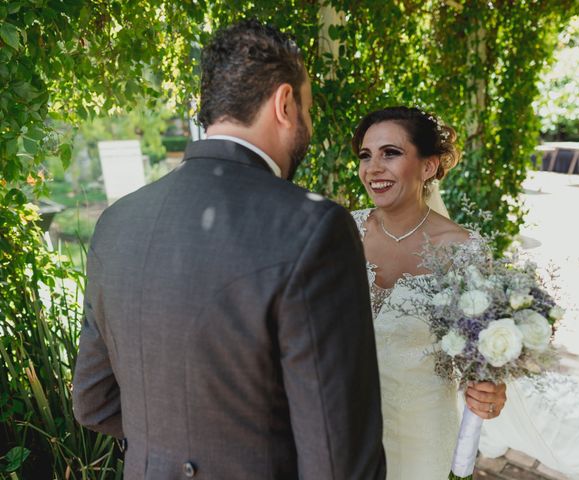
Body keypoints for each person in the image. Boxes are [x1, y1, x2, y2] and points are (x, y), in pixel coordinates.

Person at [72, 20, 386, 479]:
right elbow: (340, 462)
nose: (309, 126)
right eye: (308, 109)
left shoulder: (117, 222)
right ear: (284, 103)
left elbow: (93, 401)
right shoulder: (315, 227)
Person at [350, 106, 507, 478]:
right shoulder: (342, 232)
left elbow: (480, 357)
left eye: (391, 153)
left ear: (429, 166)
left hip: (423, 436)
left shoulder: (463, 249)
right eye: (365, 155)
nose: (373, 168)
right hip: (348, 430)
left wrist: (490, 391)